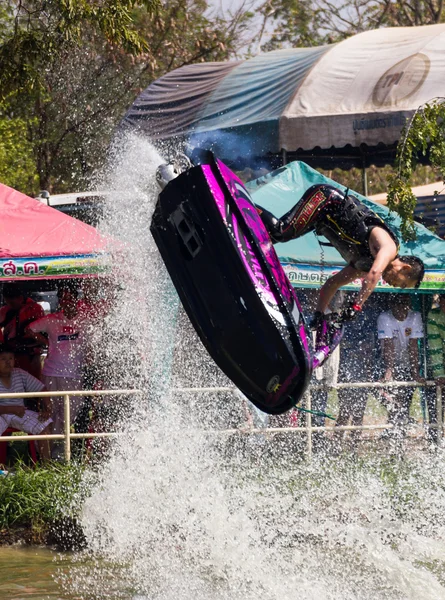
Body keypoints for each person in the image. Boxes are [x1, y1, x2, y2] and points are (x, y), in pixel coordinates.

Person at [257, 185, 425, 321]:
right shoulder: (389, 248)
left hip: (320, 218)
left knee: (273, 237)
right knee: (282, 231)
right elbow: (374, 273)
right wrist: (356, 306)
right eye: (403, 284)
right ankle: (238, 198)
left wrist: (319, 314)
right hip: (325, 200)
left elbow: (332, 284)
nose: (396, 287)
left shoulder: (363, 266)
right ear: (405, 268)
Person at [26, 284, 90, 440]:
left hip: (74, 374)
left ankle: (59, 448)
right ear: (59, 301)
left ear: (76, 299)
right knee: (50, 413)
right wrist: (46, 343)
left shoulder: (85, 320)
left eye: (70, 298)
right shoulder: (51, 319)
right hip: (51, 373)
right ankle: (51, 451)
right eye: (63, 298)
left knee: (70, 414)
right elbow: (29, 329)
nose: (66, 301)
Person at [377, 294, 423, 437]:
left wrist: (415, 371)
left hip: (407, 362)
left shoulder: (415, 317)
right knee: (387, 396)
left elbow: (413, 346)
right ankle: (396, 423)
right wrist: (389, 369)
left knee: (406, 398)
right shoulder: (385, 318)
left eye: (404, 304)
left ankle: (400, 428)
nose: (402, 308)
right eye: (398, 304)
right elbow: (388, 346)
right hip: (385, 361)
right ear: (392, 305)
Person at [0, 345, 52, 461]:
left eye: (10, 359)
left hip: (20, 413)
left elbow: (42, 389)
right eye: (3, 359)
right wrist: (11, 409)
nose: (8, 362)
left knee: (44, 424)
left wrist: (47, 409)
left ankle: (47, 465)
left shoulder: (19, 373)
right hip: (2, 414)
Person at [0, 284, 45, 379]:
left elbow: (42, 333)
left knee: (33, 382)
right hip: (11, 354)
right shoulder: (5, 311)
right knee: (12, 382)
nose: (9, 305)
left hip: (31, 354)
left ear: (20, 298)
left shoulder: (34, 308)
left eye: (12, 303)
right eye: (6, 302)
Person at [425, 293, 445, 444]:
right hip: (441, 360)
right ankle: (436, 441)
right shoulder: (434, 315)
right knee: (437, 402)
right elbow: (435, 346)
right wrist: (439, 373)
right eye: (442, 303)